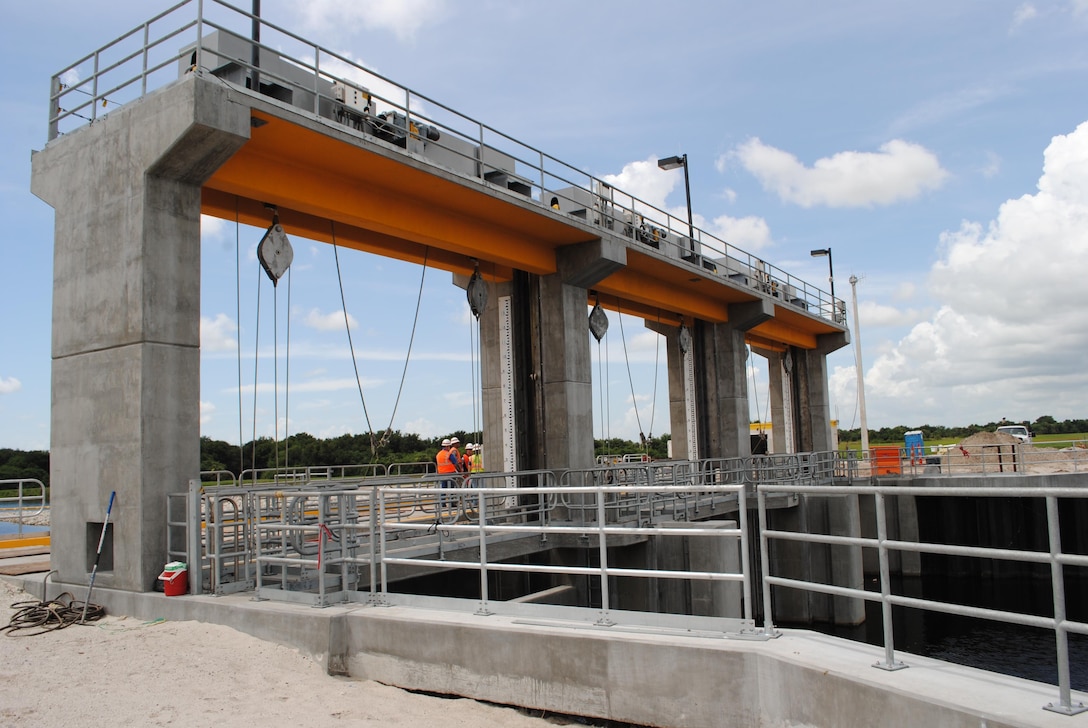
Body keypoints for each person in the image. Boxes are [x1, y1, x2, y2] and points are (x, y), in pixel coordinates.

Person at [435, 438, 459, 515]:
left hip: (441, 474)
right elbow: (455, 462)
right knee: (451, 489)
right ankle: (452, 503)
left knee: (443, 489)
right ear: (448, 446)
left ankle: (443, 503)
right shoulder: (448, 454)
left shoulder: (438, 454)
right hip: (450, 473)